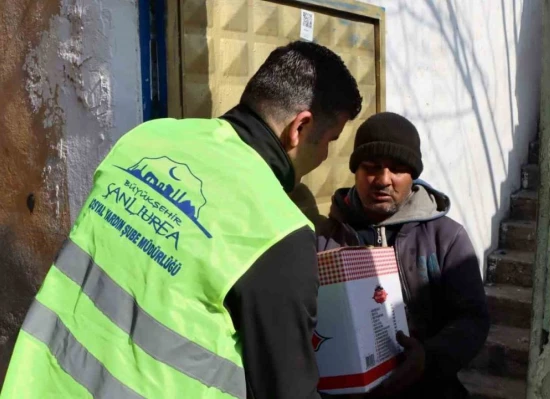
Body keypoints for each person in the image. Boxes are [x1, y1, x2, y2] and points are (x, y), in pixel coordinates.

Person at [1, 41, 361, 399]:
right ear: (300, 127)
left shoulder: (147, 137)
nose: (327, 155)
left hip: (36, 383)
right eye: (330, 140)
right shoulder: (279, 231)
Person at [316, 112, 490, 398]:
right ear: (355, 171)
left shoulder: (446, 238)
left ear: (413, 175)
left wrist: (428, 359)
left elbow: (472, 319)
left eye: (397, 169)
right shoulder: (323, 239)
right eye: (371, 167)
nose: (383, 180)